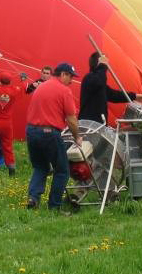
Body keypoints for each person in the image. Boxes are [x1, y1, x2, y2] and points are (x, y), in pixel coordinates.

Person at [26, 62, 83, 211]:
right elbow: (71, 119)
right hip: (49, 133)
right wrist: (77, 137)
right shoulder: (64, 91)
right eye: (70, 76)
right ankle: (54, 206)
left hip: (31, 131)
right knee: (62, 170)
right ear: (63, 74)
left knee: (40, 166)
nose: (71, 81)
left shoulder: (42, 86)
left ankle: (33, 199)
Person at [79, 52, 142, 124]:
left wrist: (135, 96)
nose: (107, 67)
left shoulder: (98, 81)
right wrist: (102, 65)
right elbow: (98, 82)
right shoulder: (89, 78)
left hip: (98, 125)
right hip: (89, 125)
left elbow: (114, 95)